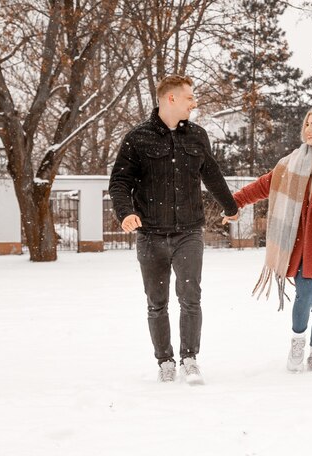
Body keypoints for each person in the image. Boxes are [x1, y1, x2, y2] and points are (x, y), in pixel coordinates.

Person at [109, 75, 239, 384]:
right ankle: (165, 361)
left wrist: (230, 206)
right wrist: (125, 213)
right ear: (171, 99)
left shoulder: (197, 136)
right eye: (190, 97)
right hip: (151, 235)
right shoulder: (137, 138)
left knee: (190, 296)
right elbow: (119, 183)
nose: (194, 103)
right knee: (157, 303)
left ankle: (190, 357)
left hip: (189, 233)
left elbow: (212, 174)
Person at [228, 107, 312, 372]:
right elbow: (264, 185)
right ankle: (298, 340)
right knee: (306, 293)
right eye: (307, 124)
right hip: (301, 243)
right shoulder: (292, 162)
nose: (308, 129)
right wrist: (234, 202)